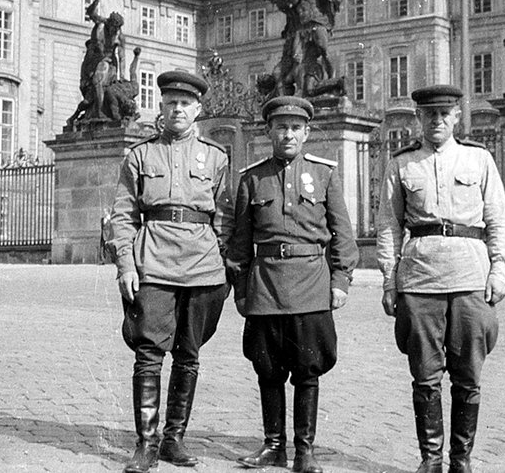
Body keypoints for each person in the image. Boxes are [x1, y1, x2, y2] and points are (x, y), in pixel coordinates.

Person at [375, 84, 505, 473]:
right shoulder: (402, 164)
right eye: (429, 114)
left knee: (468, 375)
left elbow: (498, 218)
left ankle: (461, 459)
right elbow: (388, 225)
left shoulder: (478, 159)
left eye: (444, 114)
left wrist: (499, 270)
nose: (436, 121)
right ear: (418, 118)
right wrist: (389, 279)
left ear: (456, 117)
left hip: (470, 277)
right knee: (425, 375)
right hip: (420, 281)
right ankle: (431, 459)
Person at [106, 70, 234, 472]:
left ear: (197, 109)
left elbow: (225, 217)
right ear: (161, 107)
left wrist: (224, 266)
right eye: (171, 103)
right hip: (154, 262)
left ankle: (173, 439)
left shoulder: (216, 157)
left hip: (202, 266)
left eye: (185, 103)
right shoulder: (141, 155)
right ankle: (146, 442)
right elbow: (124, 215)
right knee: (148, 352)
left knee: (189, 353)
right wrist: (126, 264)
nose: (178, 109)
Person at [228, 96, 358, 473]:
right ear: (268, 130)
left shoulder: (324, 174)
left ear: (306, 132)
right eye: (280, 127)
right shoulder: (252, 178)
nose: (288, 134)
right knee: (267, 368)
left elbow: (343, 236)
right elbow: (239, 242)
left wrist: (341, 281)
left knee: (308, 368)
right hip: (266, 285)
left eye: (295, 128)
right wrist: (241, 290)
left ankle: (305, 450)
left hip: (311, 286)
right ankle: (273, 446)